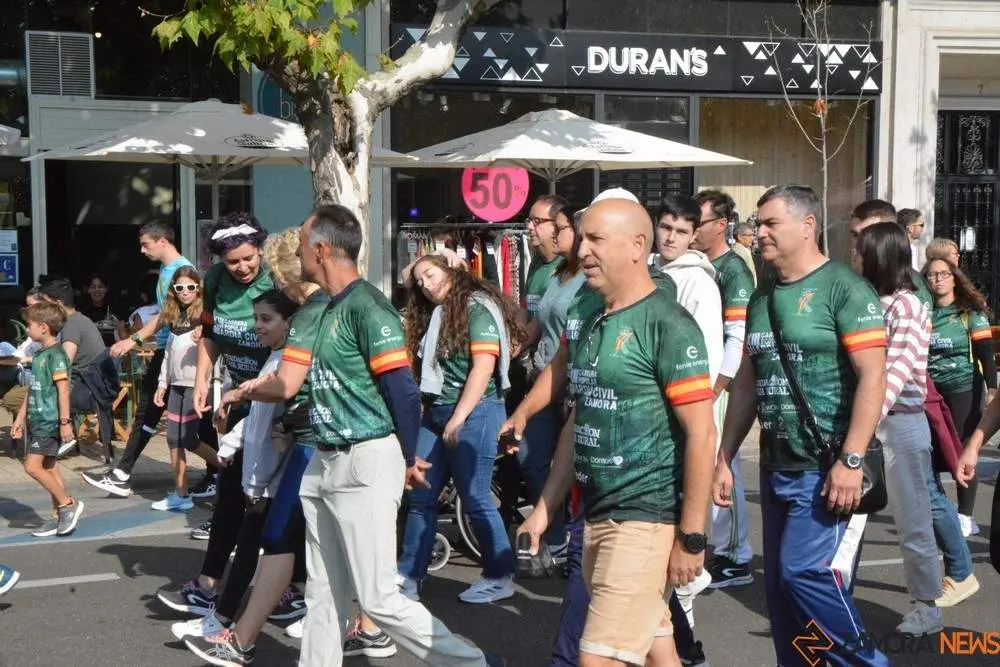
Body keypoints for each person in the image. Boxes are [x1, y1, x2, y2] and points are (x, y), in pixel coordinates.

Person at [267, 205, 502, 667]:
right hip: (324, 460)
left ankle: (472, 663)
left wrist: (408, 457)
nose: (297, 253)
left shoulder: (369, 307)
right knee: (322, 591)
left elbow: (403, 391)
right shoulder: (327, 308)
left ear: (321, 250)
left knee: (378, 598)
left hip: (364, 460)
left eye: (302, 245)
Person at [516, 196, 716, 667]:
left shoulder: (668, 323)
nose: (582, 250)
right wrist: (544, 510)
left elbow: (702, 435)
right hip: (598, 516)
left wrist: (692, 537)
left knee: (597, 659)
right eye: (582, 238)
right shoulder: (593, 320)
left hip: (643, 520)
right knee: (658, 652)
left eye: (596, 239)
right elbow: (580, 421)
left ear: (637, 246)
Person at [182, 228, 384, 661]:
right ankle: (243, 634)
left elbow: (294, 386)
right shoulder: (315, 312)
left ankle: (382, 628)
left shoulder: (339, 309)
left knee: (336, 550)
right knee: (290, 539)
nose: (273, 280)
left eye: (277, 273)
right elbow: (298, 390)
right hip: (314, 441)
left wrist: (242, 394)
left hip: (337, 444)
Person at [714, 184, 889, 667]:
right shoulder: (762, 297)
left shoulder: (844, 288)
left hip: (825, 468)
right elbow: (746, 386)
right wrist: (724, 457)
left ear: (808, 225)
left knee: (805, 575)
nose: (759, 233)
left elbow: (874, 377)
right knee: (782, 594)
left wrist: (851, 460)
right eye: (758, 224)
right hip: (776, 466)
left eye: (771, 223)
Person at [155, 212, 274, 618]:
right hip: (240, 402)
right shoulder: (217, 281)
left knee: (267, 505)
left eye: (248, 258)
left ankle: (289, 589)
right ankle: (209, 585)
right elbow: (210, 335)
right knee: (230, 493)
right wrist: (203, 380)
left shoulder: (277, 281)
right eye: (233, 261)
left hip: (279, 404)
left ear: (260, 250)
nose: (242, 267)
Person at [169, 290, 301, 648]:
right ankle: (235, 617)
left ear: (289, 322)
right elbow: (258, 419)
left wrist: (258, 479)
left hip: (273, 478)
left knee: (252, 547)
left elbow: (278, 426)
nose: (257, 326)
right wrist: (230, 443)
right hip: (263, 477)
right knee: (267, 547)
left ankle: (224, 620)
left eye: (266, 319)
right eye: (255, 318)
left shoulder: (288, 364)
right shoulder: (275, 357)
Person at [397, 254, 521, 604]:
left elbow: (483, 367)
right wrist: (419, 267)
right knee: (420, 494)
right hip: (439, 411)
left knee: (475, 496)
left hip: (477, 411)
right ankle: (409, 575)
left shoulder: (476, 308)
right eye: (420, 282)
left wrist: (459, 417)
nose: (425, 284)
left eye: (431, 274)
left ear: (451, 270)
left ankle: (499, 575)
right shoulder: (438, 313)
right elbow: (407, 276)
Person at [857, 222, 943, 635]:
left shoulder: (906, 307)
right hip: (870, 425)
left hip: (900, 427)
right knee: (849, 520)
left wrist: (862, 427)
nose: (855, 257)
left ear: (880, 257)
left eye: (861, 251)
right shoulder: (871, 301)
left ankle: (927, 607)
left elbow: (893, 374)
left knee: (912, 519)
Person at [82, 221, 202, 498]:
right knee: (158, 413)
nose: (142, 250)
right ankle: (217, 473)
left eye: (146, 244)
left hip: (177, 350)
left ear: (163, 241)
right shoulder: (166, 270)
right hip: (170, 348)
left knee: (158, 413)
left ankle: (125, 474)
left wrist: (132, 340)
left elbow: (165, 317)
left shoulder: (181, 271)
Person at [650, 194, 724, 624]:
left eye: (681, 231)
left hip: (682, 415)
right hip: (652, 416)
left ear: (694, 235)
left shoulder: (699, 283)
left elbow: (707, 358)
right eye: (666, 228)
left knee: (680, 523)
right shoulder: (649, 272)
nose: (671, 238)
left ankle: (685, 632)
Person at [510, 201, 585, 560]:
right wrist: (511, 349)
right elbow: (537, 322)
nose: (554, 232)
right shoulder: (557, 273)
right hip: (544, 378)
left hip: (571, 385)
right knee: (531, 457)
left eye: (561, 226)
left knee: (572, 466)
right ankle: (555, 531)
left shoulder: (589, 278)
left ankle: (568, 536)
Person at [692, 189, 756, 588]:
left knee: (722, 466)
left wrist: (717, 388)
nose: (690, 229)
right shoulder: (695, 264)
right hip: (697, 385)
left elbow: (739, 337)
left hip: (719, 387)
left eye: (697, 222)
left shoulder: (733, 270)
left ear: (720, 225)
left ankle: (736, 555)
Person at [922, 257, 996, 539]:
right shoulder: (924, 312)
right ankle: (941, 508)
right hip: (931, 391)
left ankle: (966, 516)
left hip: (964, 388)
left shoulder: (969, 312)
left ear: (954, 278)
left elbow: (985, 352)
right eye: (931, 275)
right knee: (930, 451)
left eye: (943, 274)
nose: (937, 279)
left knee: (963, 449)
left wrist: (992, 389)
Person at [10, 302, 86, 537]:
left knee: (32, 466)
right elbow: (33, 388)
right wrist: (20, 417)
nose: (27, 329)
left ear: (43, 327)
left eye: (29, 325)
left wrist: (64, 422)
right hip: (37, 419)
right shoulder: (40, 354)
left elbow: (63, 391)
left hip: (49, 421)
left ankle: (67, 504)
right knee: (50, 468)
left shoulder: (56, 355)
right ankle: (57, 515)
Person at [150, 266, 220, 511]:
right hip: (177, 386)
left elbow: (214, 349)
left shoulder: (205, 317)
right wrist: (162, 383)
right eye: (180, 287)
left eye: (191, 287)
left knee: (188, 439)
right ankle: (181, 494)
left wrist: (204, 333)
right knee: (173, 440)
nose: (185, 291)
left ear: (199, 289)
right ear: (173, 290)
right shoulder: (174, 317)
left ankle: (226, 468)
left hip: (195, 386)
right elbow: (169, 354)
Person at [39, 278, 113, 452]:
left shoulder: (71, 325)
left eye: (45, 304)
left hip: (86, 390)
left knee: (37, 391)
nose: (43, 309)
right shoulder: (80, 319)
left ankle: (57, 438)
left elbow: (64, 364)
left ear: (58, 303)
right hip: (97, 385)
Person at [524, 195, 571, 320]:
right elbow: (524, 308)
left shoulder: (568, 266)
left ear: (557, 224)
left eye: (537, 221)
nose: (529, 227)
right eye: (529, 220)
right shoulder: (536, 261)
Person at [78, 274, 126, 345]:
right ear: (88, 290)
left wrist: (119, 327)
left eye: (100, 287)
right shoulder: (82, 310)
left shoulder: (114, 308)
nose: (97, 290)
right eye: (93, 287)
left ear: (106, 289)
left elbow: (123, 336)